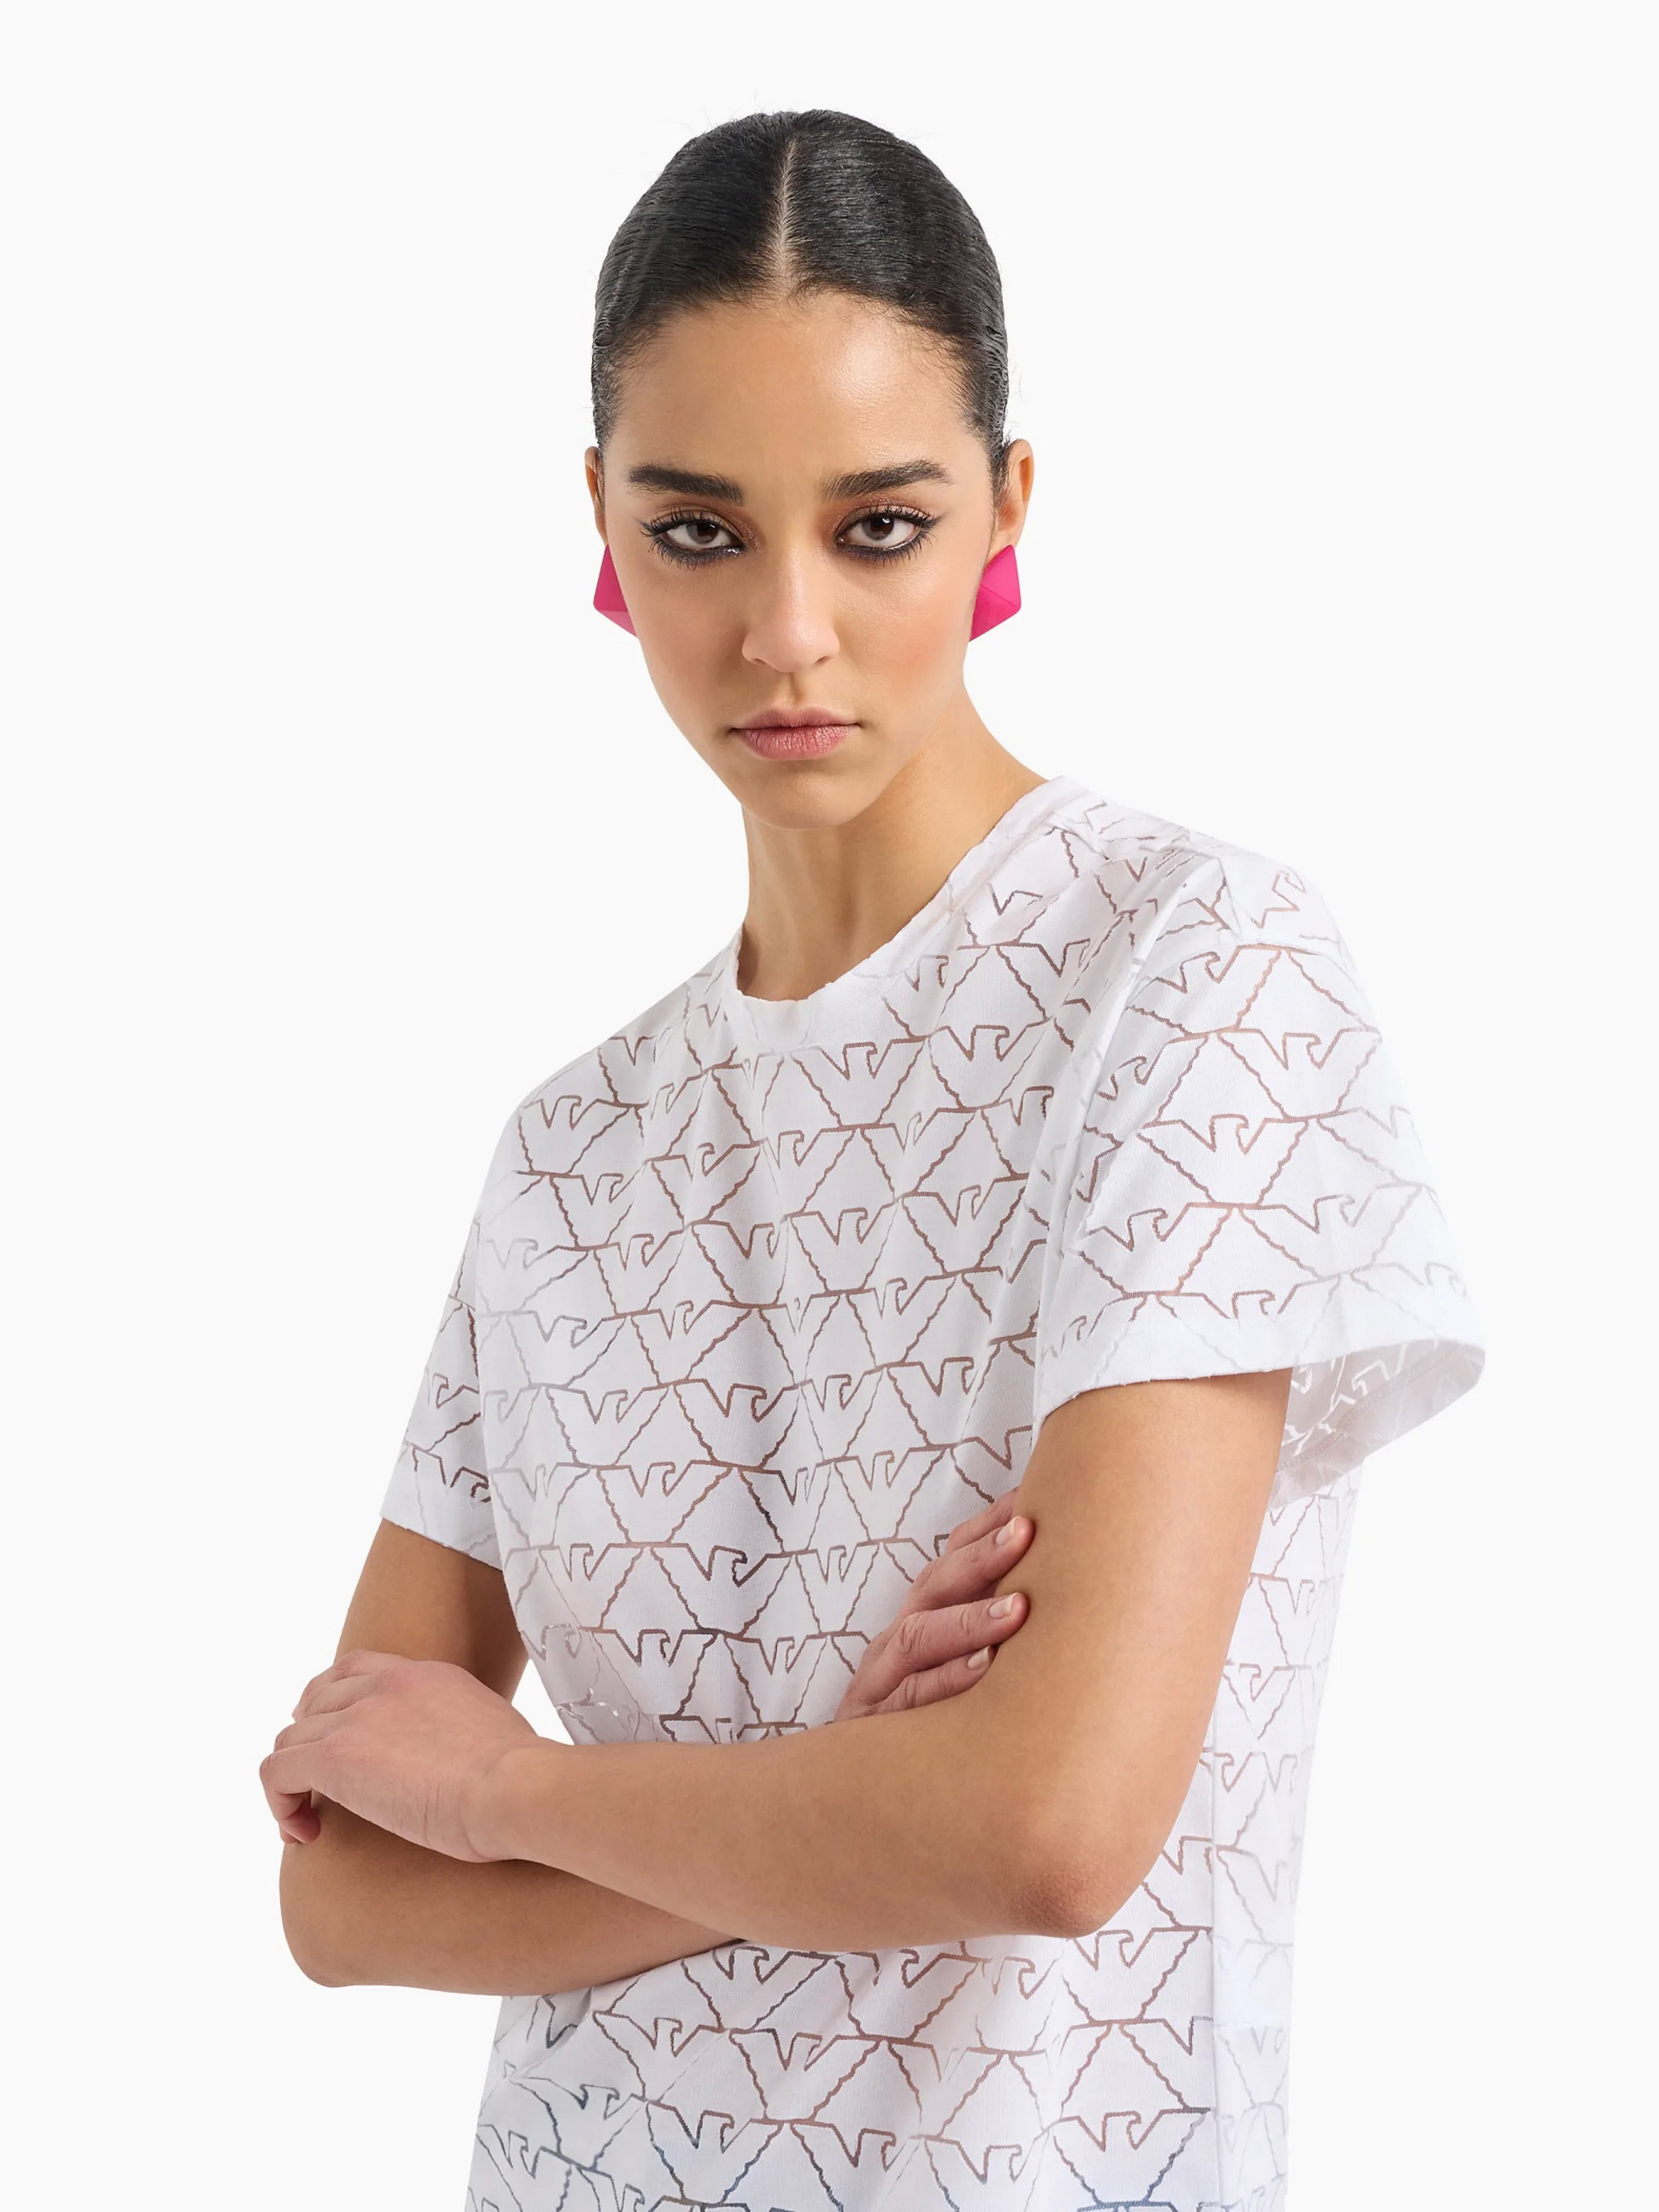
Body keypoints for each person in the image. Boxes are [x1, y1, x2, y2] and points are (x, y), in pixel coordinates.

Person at [261, 108, 1484, 2212]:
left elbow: (1046, 1833)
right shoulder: (568, 1154)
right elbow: (345, 1891)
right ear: (599, 524)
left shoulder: (1189, 970)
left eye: (879, 526)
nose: (786, 632)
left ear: (1008, 507)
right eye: (699, 530)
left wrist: (516, 1798)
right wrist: (822, 1804)